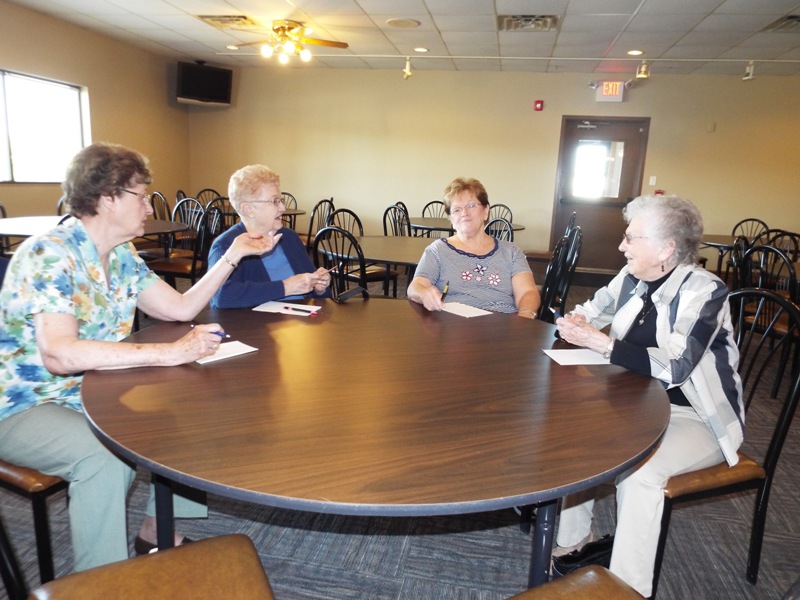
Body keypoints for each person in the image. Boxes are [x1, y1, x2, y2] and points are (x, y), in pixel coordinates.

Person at [0, 143, 276, 572]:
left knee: (195, 407)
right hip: (23, 405)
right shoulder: (49, 254)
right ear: (108, 198)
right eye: (142, 196)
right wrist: (169, 353)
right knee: (105, 457)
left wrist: (233, 255)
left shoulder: (121, 255)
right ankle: (102, 582)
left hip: (91, 389)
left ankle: (154, 531)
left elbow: (179, 308)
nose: (149, 206)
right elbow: (59, 354)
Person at [552, 195, 743, 597]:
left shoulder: (705, 291)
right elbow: (593, 309)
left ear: (666, 248)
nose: (622, 246)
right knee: (575, 435)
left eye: (631, 238)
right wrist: (578, 320)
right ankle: (574, 544)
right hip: (635, 402)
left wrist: (603, 344)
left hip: (694, 416)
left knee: (640, 476)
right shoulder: (631, 276)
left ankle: (627, 588)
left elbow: (677, 367)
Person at [407, 177, 540, 317]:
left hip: (503, 324)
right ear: (451, 219)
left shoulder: (511, 252)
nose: (464, 213)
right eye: (457, 210)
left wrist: (526, 313)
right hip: (454, 324)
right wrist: (424, 294)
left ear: (486, 211)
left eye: (471, 206)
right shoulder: (437, 250)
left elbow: (528, 292)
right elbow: (415, 288)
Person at [208, 165, 331, 309]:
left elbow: (317, 293)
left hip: (302, 320)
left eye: (281, 200)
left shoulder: (289, 237)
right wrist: (287, 287)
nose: (283, 208)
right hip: (258, 322)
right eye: (274, 201)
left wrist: (319, 287)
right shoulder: (225, 245)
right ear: (248, 209)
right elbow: (222, 296)